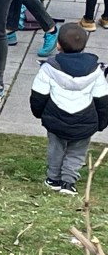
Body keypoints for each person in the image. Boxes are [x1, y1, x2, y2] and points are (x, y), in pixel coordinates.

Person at [30, 22, 108, 196]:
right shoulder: (96, 70)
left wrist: (39, 113)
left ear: (58, 45)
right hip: (84, 120)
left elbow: (38, 95)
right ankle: (68, 182)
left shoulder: (48, 68)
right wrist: (102, 122)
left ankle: (53, 179)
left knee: (55, 149)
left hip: (56, 118)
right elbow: (102, 99)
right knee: (77, 152)